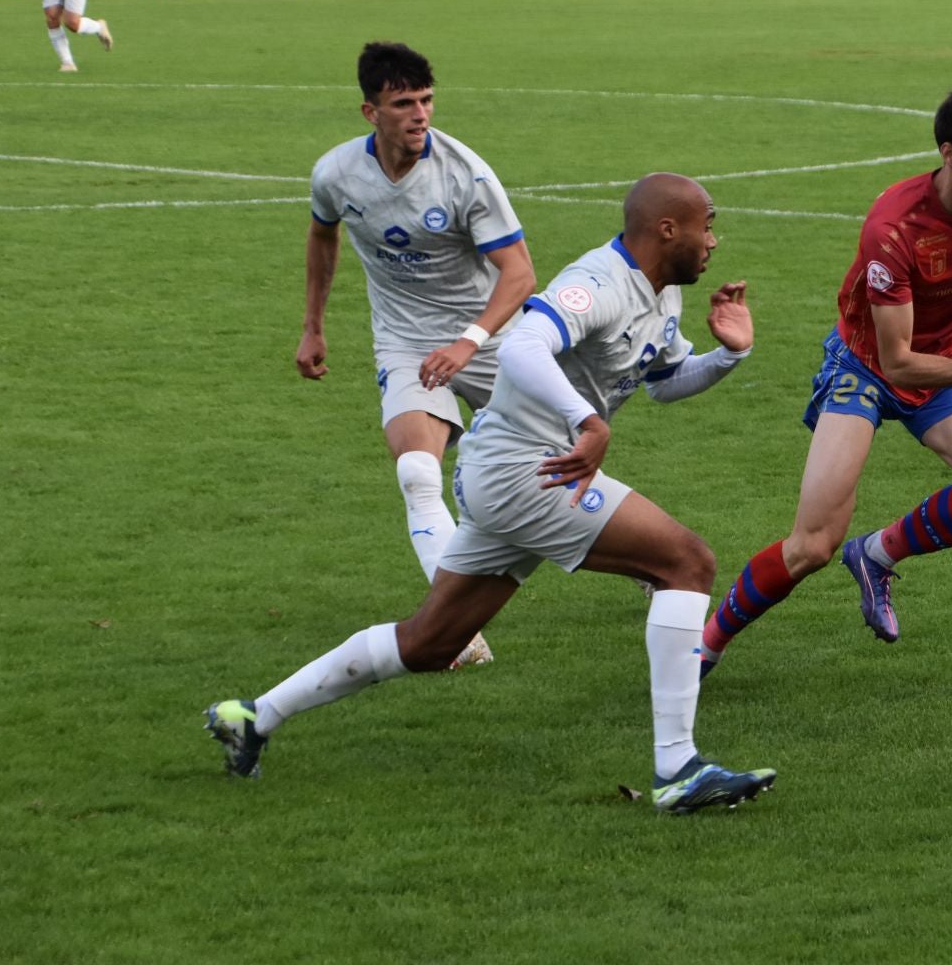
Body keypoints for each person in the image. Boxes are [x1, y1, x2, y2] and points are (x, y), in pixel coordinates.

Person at [208, 174, 778, 814]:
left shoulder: (662, 294)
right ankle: (678, 768)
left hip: (513, 474)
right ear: (667, 229)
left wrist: (731, 355)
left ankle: (252, 717)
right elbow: (524, 348)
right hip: (525, 471)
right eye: (707, 224)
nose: (714, 239)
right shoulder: (598, 282)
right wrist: (585, 422)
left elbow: (665, 382)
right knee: (687, 562)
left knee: (429, 643)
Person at [700, 80, 952, 672]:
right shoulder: (894, 231)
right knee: (813, 545)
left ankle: (876, 554)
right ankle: (705, 643)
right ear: (948, 154)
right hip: (868, 367)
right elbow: (897, 362)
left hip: (944, 359)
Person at [298, 41, 539, 670]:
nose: (419, 114)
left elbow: (519, 275)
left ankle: (648, 565)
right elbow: (322, 236)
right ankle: (456, 630)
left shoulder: (465, 174)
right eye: (403, 102)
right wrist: (313, 327)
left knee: (563, 462)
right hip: (405, 341)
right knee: (415, 473)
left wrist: (469, 342)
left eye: (426, 100)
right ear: (368, 112)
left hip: (488, 335)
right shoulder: (336, 174)